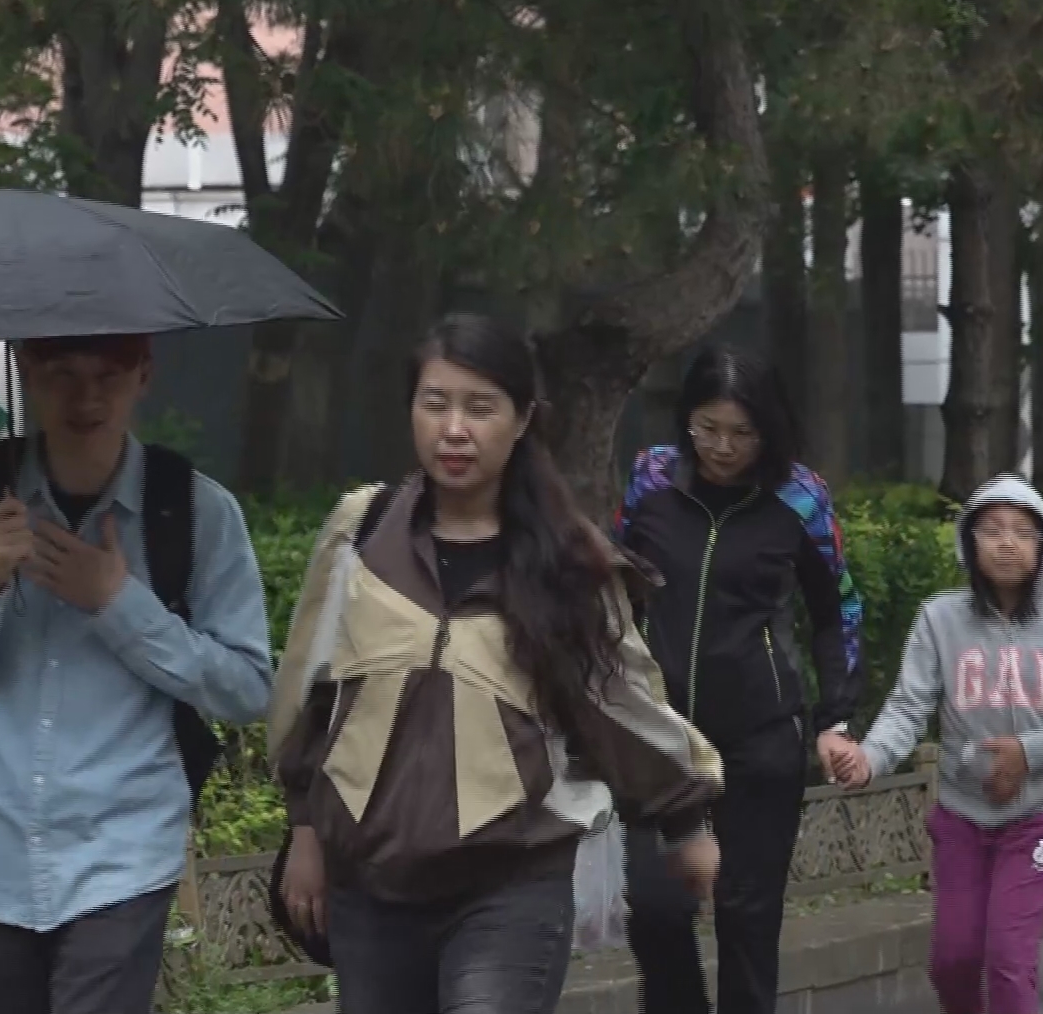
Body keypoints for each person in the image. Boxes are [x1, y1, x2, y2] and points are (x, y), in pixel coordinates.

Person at [268, 312, 725, 1014]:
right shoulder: (362, 534)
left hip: (512, 882)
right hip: (370, 885)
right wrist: (305, 832)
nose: (454, 429)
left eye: (480, 408)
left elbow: (623, 704)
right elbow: (312, 696)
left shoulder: (567, 562)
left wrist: (686, 823)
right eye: (436, 403)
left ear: (522, 420)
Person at [0, 332, 273, 1014]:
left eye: (109, 374)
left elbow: (247, 688)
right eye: (63, 372)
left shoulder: (195, 510)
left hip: (122, 853)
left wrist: (119, 604)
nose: (86, 397)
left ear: (144, 374)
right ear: (27, 371)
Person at [613, 345, 864, 1014]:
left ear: (769, 428)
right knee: (655, 907)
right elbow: (615, 589)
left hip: (761, 735)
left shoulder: (800, 498)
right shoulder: (651, 478)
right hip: (660, 735)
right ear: (686, 420)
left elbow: (837, 609)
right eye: (707, 428)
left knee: (746, 914)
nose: (722, 447)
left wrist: (835, 718)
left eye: (742, 432)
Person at [825, 475, 1043, 1014]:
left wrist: (1028, 752)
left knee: (1009, 959)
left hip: (1037, 817)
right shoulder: (940, 618)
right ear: (969, 541)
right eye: (993, 530)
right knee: (954, 961)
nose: (1008, 544)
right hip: (961, 817)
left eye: (1024, 533)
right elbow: (909, 705)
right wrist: (869, 758)